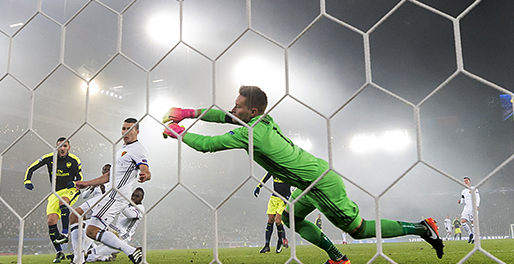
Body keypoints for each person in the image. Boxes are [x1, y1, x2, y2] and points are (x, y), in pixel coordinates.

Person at [162, 86, 444, 264]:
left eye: (238, 106)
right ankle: (337, 258)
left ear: (253, 111)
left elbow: (207, 145)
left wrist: (176, 130)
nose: (233, 109)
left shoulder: (252, 134)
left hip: (319, 184)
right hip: (311, 179)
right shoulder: (263, 119)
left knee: (358, 230)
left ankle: (422, 228)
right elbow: (221, 115)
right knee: (289, 217)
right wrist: (188, 113)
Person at [75, 118, 151, 264]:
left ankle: (131, 251)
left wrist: (145, 175)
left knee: (91, 231)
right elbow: (110, 176)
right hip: (108, 194)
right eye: (123, 128)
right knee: (75, 215)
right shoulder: (122, 149)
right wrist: (87, 183)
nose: (125, 132)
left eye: (129, 129)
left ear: (137, 131)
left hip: (117, 196)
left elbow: (145, 169)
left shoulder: (138, 149)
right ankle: (78, 258)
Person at [24, 137, 82, 263]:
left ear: (69, 148)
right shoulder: (49, 158)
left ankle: (65, 233)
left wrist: (73, 182)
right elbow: (31, 168)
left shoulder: (74, 160)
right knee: (51, 221)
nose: (62, 148)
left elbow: (80, 177)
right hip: (55, 192)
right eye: (60, 146)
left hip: (70, 190)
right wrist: (27, 180)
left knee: (64, 201)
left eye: (65, 146)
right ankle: (59, 251)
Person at [56, 164, 112, 261]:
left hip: (102, 208)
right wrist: (92, 187)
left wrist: (103, 188)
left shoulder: (112, 183)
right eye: (104, 169)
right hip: (91, 207)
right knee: (83, 229)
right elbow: (84, 196)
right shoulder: (96, 183)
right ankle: (82, 254)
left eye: (108, 170)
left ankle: (83, 255)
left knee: (90, 231)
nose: (105, 171)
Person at [86, 187, 146, 262]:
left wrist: (122, 203)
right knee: (91, 223)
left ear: (142, 198)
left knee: (91, 257)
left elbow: (130, 215)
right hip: (115, 233)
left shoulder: (140, 208)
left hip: (123, 237)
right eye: (133, 195)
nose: (133, 197)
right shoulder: (127, 205)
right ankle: (85, 253)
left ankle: (103, 256)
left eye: (137, 196)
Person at [254, 172, 291, 253]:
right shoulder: (273, 169)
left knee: (278, 221)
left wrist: (289, 195)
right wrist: (259, 187)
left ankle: (280, 241)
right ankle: (267, 245)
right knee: (270, 220)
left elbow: (296, 182)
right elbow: (266, 177)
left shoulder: (287, 170)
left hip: (283, 199)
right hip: (274, 198)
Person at [458, 176, 479, 244]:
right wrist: (460, 201)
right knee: (463, 222)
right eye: (464, 181)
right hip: (466, 207)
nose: (465, 182)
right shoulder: (463, 191)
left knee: (473, 223)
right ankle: (470, 234)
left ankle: (474, 238)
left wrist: (477, 205)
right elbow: (463, 200)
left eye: (467, 180)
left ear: (469, 182)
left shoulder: (474, 189)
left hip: (473, 207)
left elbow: (478, 197)